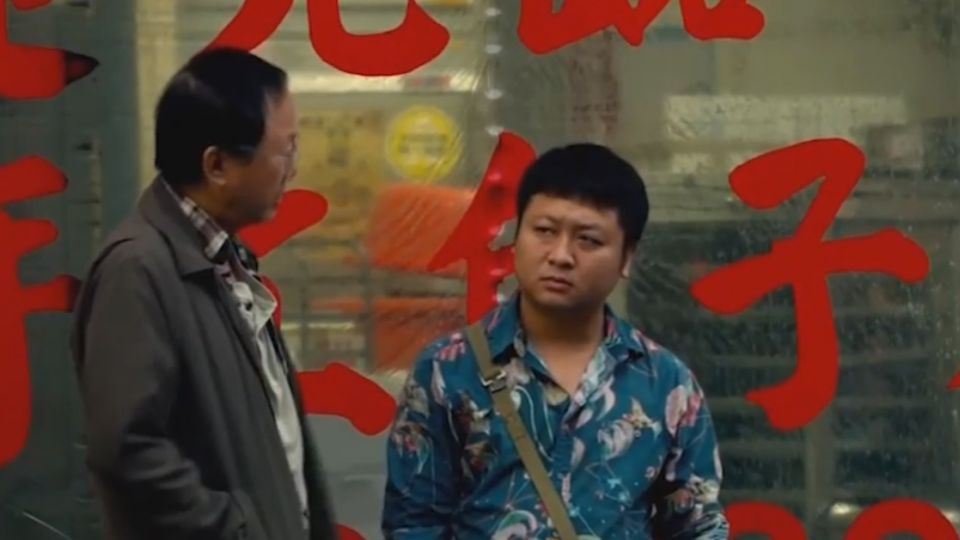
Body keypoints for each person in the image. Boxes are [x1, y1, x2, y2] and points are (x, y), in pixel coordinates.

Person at [382, 144, 728, 539]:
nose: (561, 256)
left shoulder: (665, 383)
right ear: (518, 237)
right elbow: (413, 524)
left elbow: (698, 526)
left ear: (627, 257)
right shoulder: (448, 369)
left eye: (588, 240)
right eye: (544, 231)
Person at [70, 48, 338, 540]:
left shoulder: (223, 261)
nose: (294, 168)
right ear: (217, 165)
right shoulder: (139, 270)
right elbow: (129, 450)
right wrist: (236, 528)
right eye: (285, 150)